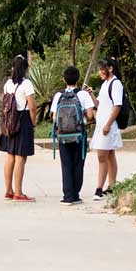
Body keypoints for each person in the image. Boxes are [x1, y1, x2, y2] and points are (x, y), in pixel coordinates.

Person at [50, 65, 96, 205]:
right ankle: (75, 195)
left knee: (66, 164)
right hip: (78, 135)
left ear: (64, 79)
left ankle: (67, 196)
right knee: (78, 163)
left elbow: (54, 118)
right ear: (78, 79)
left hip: (63, 136)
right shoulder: (83, 95)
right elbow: (89, 115)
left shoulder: (59, 96)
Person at [0, 55, 39, 201]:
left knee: (10, 156)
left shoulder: (8, 83)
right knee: (20, 157)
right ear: (26, 68)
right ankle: (19, 193)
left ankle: (9, 190)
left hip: (9, 121)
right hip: (23, 120)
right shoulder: (27, 84)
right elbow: (32, 107)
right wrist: (33, 123)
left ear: (13, 67)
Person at [91, 57, 125, 199]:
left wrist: (108, 124)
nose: (100, 72)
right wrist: (91, 94)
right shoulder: (106, 84)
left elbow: (117, 106)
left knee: (102, 156)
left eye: (102, 69)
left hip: (108, 125)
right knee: (109, 155)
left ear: (110, 68)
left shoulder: (116, 84)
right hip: (102, 125)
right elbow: (99, 104)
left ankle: (99, 189)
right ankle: (112, 186)